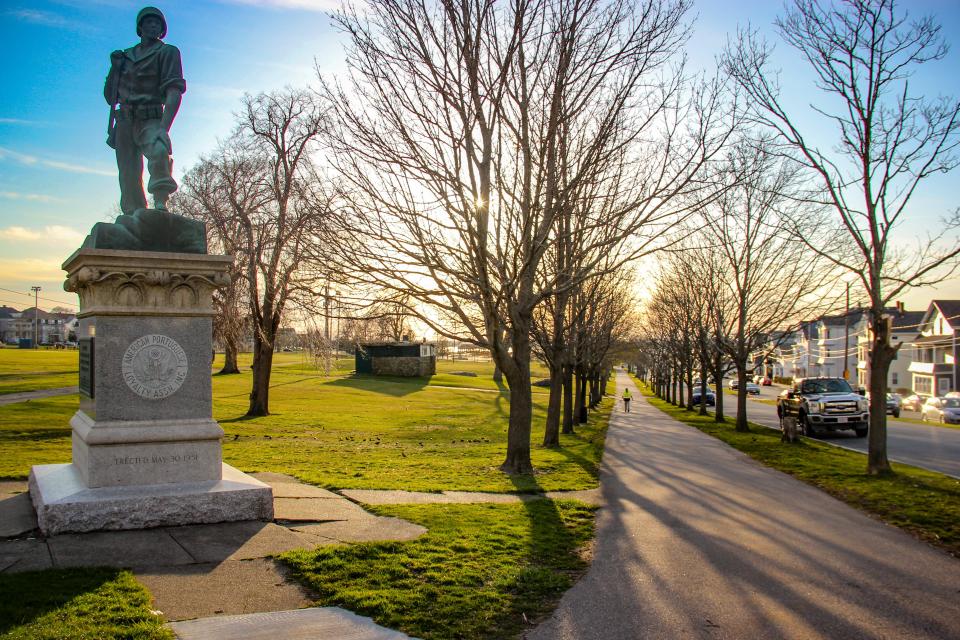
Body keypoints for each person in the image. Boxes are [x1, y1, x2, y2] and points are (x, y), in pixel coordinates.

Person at [104, 7, 186, 214]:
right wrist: (114, 68)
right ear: (140, 27)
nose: (153, 26)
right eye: (148, 22)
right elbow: (110, 97)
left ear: (162, 29)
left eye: (157, 23)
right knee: (128, 173)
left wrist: (164, 128)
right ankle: (134, 214)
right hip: (124, 121)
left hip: (151, 117)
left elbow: (174, 92)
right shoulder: (125, 57)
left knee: (159, 152)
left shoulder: (167, 52)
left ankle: (160, 200)